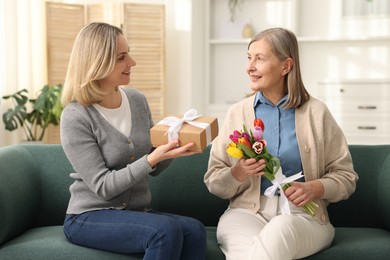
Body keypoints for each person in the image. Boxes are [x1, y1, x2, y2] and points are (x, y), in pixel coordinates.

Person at [204, 27, 358, 260]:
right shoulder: (237, 113)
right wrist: (237, 172)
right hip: (245, 214)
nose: (249, 67)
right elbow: (213, 180)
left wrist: (315, 188)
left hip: (304, 217)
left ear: (286, 66)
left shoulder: (316, 113)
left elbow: (346, 178)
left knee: (279, 230)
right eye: (249, 58)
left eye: (260, 59)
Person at [60, 22, 207, 260]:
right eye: (122, 57)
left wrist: (172, 148)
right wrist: (151, 158)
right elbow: (104, 187)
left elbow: (154, 168)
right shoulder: (76, 116)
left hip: (136, 212)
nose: (132, 62)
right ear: (98, 62)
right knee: (163, 232)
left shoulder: (137, 100)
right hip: (89, 215)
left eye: (128, 53)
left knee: (194, 230)